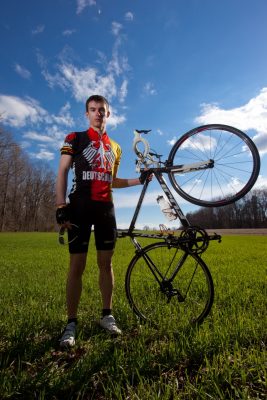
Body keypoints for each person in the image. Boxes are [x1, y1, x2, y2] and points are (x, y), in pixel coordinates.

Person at [56, 95, 149, 348]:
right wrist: (60, 205)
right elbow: (63, 170)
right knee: (77, 265)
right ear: (87, 114)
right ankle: (71, 323)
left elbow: (112, 181)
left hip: (106, 208)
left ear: (108, 114)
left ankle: (106, 315)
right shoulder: (74, 138)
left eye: (102, 110)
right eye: (93, 110)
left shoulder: (115, 147)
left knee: (105, 264)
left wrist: (140, 180)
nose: (98, 113)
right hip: (79, 207)